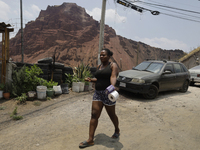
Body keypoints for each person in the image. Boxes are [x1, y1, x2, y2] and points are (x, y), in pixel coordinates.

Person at [79, 48, 120, 148]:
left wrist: (112, 86)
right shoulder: (99, 66)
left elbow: (113, 76)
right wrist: (91, 80)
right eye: (100, 55)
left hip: (108, 93)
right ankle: (90, 139)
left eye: (104, 55)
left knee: (112, 115)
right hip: (97, 93)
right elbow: (99, 79)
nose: (101, 57)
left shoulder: (112, 65)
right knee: (94, 115)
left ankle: (117, 129)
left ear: (109, 56)